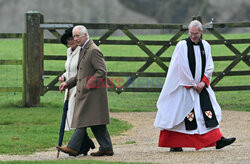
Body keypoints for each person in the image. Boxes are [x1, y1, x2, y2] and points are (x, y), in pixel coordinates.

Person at [154, 20, 236, 152]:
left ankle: (218, 140)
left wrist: (203, 82)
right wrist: (192, 84)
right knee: (179, 115)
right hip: (184, 87)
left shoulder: (206, 45)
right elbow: (180, 67)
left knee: (207, 113)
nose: (193, 36)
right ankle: (175, 143)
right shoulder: (182, 46)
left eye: (196, 33)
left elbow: (209, 65)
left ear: (201, 32)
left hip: (201, 87)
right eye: (191, 33)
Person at [57, 25, 114, 156]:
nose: (75, 39)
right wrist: (67, 84)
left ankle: (73, 147)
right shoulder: (83, 49)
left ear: (85, 35)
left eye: (77, 36)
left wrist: (88, 84)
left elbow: (102, 71)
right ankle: (106, 148)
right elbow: (79, 74)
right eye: (74, 36)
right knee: (95, 121)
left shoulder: (93, 50)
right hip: (87, 92)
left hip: (92, 93)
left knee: (82, 119)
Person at [58, 27, 95, 156]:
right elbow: (69, 69)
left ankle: (79, 146)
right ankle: (86, 144)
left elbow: (82, 70)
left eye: (72, 38)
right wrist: (63, 76)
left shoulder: (82, 51)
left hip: (79, 86)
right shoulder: (69, 51)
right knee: (73, 117)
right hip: (69, 85)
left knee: (77, 117)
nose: (71, 41)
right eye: (68, 39)